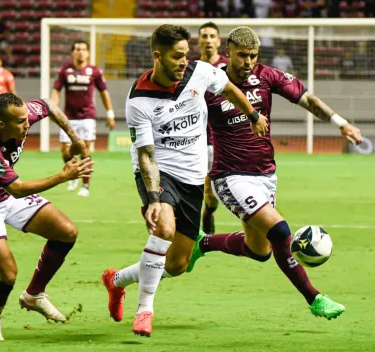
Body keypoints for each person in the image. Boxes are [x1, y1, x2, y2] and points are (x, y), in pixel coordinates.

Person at [101, 24, 268, 337]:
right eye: (177, 56)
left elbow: (229, 87)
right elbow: (147, 156)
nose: (183, 62)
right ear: (158, 56)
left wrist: (252, 115)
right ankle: (144, 310)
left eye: (185, 55)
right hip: (159, 172)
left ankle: (116, 280)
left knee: (177, 264)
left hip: (193, 176)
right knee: (163, 228)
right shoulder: (139, 101)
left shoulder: (200, 72)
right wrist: (152, 199)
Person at [185, 27, 363, 318]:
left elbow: (305, 98)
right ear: (228, 52)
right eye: (242, 55)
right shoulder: (210, 82)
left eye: (253, 56)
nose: (247, 62)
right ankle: (315, 299)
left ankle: (201, 243)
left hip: (265, 175)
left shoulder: (265, 76)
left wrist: (339, 122)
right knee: (281, 231)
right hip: (230, 177)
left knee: (260, 251)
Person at [0, 93, 93, 341]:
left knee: (66, 232)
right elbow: (17, 189)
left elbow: (49, 105)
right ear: (0, 124)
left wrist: (76, 139)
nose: (27, 124)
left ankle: (34, 295)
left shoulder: (21, 114)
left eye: (26, 118)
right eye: (20, 122)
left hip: (5, 193)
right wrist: (64, 176)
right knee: (7, 273)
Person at [52, 40, 115, 197]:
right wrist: (53, 107)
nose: (80, 52)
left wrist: (110, 113)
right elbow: (56, 90)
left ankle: (85, 186)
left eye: (83, 49)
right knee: (65, 151)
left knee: (84, 149)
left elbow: (103, 92)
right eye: (78, 49)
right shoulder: (64, 70)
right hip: (68, 117)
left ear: (87, 53)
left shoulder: (95, 71)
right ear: (73, 52)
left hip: (87, 116)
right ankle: (73, 173)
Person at [195, 22, 228, 234]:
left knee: (210, 189)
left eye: (211, 36)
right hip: (194, 136)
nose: (208, 40)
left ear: (218, 41)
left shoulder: (228, 67)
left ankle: (208, 211)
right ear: (198, 41)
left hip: (219, 136)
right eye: (204, 36)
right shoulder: (190, 67)